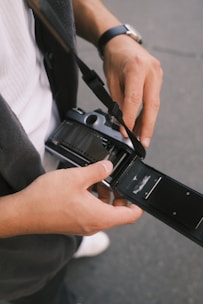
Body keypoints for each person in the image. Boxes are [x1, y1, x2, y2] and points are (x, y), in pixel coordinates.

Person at [0, 0, 163, 303]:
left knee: (72, 226)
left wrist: (112, 33)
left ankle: (68, 240)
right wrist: (19, 215)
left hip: (58, 138)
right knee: (41, 289)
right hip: (13, 257)